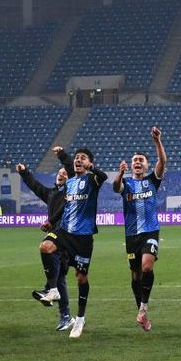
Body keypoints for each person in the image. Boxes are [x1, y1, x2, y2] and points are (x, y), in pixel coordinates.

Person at [112, 126, 167, 332]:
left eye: (141, 160)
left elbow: (162, 162)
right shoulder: (126, 183)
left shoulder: (152, 181)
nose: (137, 162)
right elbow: (116, 187)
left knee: (147, 267)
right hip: (131, 234)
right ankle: (142, 312)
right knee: (135, 275)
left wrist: (157, 141)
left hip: (150, 231)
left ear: (146, 165)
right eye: (135, 160)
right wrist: (120, 173)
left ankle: (143, 307)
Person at [52, 144, 108, 338]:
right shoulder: (69, 183)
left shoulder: (92, 179)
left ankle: (80, 318)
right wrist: (51, 221)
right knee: (47, 247)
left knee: (81, 277)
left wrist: (90, 167)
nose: (78, 160)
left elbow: (103, 177)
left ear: (90, 162)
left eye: (83, 157)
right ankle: (51, 289)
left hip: (83, 237)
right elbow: (65, 206)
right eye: (77, 157)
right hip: (65, 233)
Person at [16, 163, 72, 330]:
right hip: (56, 234)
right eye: (60, 172)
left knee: (47, 251)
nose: (61, 174)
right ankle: (65, 315)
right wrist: (24, 172)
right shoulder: (51, 193)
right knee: (59, 277)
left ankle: (50, 290)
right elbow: (35, 186)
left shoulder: (72, 192)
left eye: (65, 173)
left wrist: (50, 222)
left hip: (67, 236)